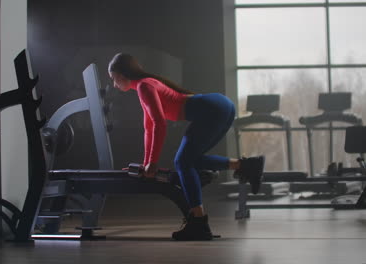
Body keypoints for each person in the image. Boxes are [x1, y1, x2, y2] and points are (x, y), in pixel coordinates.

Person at [108, 53, 265, 241]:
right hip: (221, 107)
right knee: (190, 160)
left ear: (121, 74)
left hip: (214, 109)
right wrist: (147, 164)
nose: (114, 84)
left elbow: (159, 124)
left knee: (182, 162)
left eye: (113, 78)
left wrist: (153, 162)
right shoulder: (145, 86)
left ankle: (198, 222)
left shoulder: (144, 86)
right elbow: (149, 128)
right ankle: (246, 166)